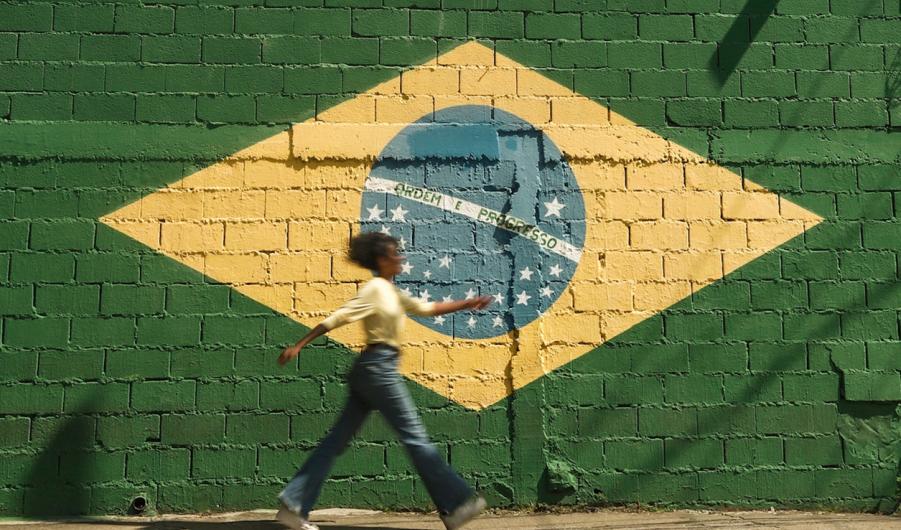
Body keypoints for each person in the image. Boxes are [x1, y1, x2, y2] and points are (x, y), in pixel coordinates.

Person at [275, 231, 493, 530]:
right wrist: (300, 343)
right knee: (415, 437)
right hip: (378, 369)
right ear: (381, 260)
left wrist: (467, 303)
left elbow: (427, 309)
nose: (400, 257)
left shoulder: (391, 291)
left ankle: (293, 506)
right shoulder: (376, 288)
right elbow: (339, 317)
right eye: (395, 253)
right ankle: (456, 505)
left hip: (373, 370)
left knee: (335, 442)